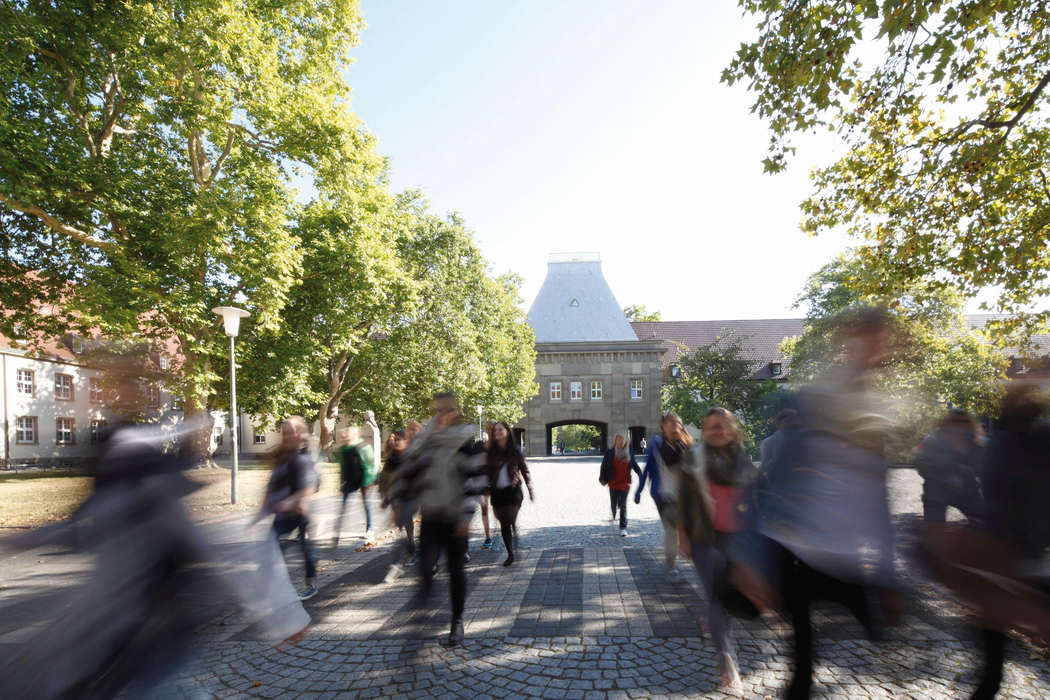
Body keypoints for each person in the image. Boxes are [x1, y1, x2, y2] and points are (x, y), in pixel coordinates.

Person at [729, 309, 902, 700]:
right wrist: (748, 557)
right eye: (867, 340)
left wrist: (888, 575)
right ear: (850, 343)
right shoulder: (816, 400)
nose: (875, 351)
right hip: (798, 549)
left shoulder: (873, 410)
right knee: (802, 662)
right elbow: (772, 484)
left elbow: (876, 495)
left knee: (883, 637)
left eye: (881, 343)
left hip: (844, 553)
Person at [392, 392, 487, 646]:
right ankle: (424, 603)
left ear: (456, 412)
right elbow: (410, 469)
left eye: (446, 410)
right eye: (438, 410)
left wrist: (465, 517)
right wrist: (400, 500)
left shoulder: (467, 442)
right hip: (432, 514)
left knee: (456, 571)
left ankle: (457, 621)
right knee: (426, 566)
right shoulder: (429, 441)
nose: (441, 415)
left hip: (456, 518)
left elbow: (476, 481)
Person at [258, 416, 320, 601]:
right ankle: (266, 590)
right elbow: (271, 486)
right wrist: (259, 515)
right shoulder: (282, 456)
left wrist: (289, 501)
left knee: (305, 549)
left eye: (289, 432)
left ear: (299, 434)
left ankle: (311, 584)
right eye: (284, 433)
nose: (286, 436)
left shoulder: (304, 456)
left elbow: (310, 486)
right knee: (272, 547)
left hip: (299, 511)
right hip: (282, 513)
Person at [915, 408, 985, 525]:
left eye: (965, 422)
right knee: (934, 528)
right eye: (956, 422)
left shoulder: (974, 445)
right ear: (948, 423)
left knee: (983, 522)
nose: (961, 426)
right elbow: (921, 464)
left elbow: (981, 468)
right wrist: (955, 467)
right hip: (937, 491)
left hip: (967, 490)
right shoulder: (934, 442)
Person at [635, 414, 680, 574]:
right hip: (661, 494)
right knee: (671, 529)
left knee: (679, 528)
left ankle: (673, 556)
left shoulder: (684, 445)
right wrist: (639, 490)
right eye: (671, 422)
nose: (675, 425)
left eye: (678, 422)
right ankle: (671, 562)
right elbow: (647, 469)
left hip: (681, 495)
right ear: (663, 425)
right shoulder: (655, 446)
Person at [486, 420, 535, 566]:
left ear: (507, 431)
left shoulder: (515, 450)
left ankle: (513, 532)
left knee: (509, 519)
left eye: (500, 429)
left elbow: (524, 470)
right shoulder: (491, 452)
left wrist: (530, 488)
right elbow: (486, 471)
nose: (497, 432)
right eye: (495, 430)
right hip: (497, 492)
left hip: (513, 491)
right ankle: (510, 554)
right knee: (504, 524)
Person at [380, 429, 417, 582]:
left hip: (412, 497)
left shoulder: (413, 458)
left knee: (403, 522)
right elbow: (384, 479)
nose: (395, 442)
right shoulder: (392, 459)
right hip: (397, 498)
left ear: (407, 442)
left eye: (399, 439)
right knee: (402, 525)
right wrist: (384, 497)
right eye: (395, 439)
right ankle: (411, 549)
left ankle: (397, 564)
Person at [334, 427, 377, 543]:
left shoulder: (364, 446)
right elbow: (343, 466)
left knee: (367, 505)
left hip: (364, 480)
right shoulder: (344, 449)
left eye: (349, 434)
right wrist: (342, 482)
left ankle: (370, 528)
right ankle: (337, 531)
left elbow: (370, 465)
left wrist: (368, 483)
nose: (347, 436)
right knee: (343, 506)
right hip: (350, 481)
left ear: (356, 435)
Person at [599, 432, 641, 536]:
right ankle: (613, 511)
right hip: (613, 482)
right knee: (613, 503)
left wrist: (642, 476)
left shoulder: (629, 453)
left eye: (623, 439)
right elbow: (603, 466)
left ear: (626, 441)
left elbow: (635, 466)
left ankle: (623, 527)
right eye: (619, 439)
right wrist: (602, 479)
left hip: (625, 482)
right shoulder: (610, 452)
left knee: (623, 504)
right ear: (615, 441)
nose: (621, 441)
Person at [480, 419, 497, 548]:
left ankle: (502, 529)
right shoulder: (481, 446)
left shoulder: (500, 446)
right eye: (488, 428)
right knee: (484, 509)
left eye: (492, 428)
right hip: (483, 482)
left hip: (497, 482)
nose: (490, 430)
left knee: (497, 509)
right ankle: (488, 537)